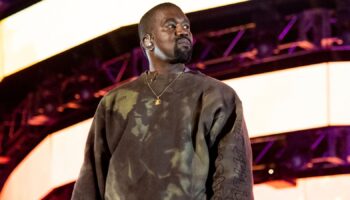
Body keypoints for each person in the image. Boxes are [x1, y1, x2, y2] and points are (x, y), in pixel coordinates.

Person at [72, 2, 254, 200]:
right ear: (148, 42)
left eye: (186, 26)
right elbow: (92, 179)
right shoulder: (115, 103)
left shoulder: (217, 96)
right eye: (171, 26)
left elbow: (234, 178)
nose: (182, 31)